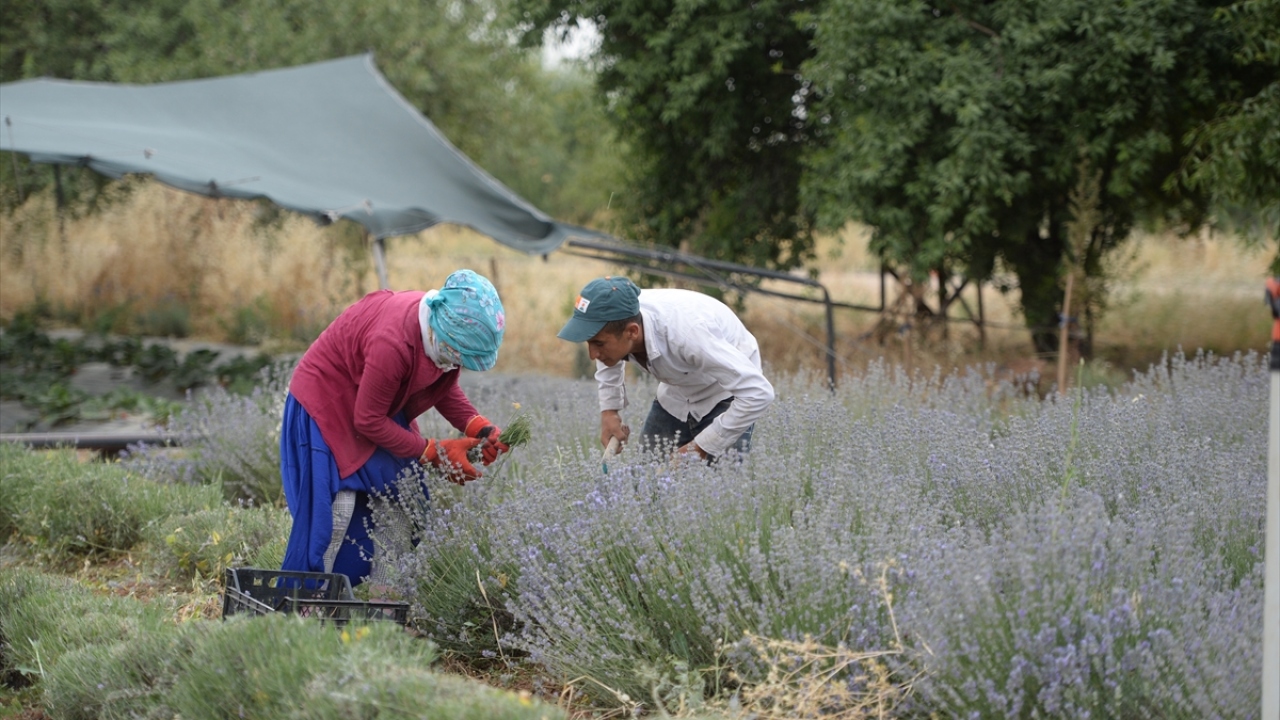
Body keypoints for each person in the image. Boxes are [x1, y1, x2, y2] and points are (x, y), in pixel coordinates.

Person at [280, 269, 509, 587]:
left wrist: (478, 426)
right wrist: (433, 452)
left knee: (403, 506)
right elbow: (369, 420)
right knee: (337, 511)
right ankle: (309, 606)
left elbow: (440, 381)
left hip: (372, 404)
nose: (457, 364)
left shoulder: (438, 340)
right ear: (442, 331)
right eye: (458, 355)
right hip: (329, 401)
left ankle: (383, 610)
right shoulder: (394, 342)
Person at [557, 276, 774, 461]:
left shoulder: (688, 334)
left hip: (725, 392)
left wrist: (700, 448)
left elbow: (758, 393)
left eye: (598, 344)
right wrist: (609, 411)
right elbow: (607, 354)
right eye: (590, 343)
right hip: (677, 392)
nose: (593, 354)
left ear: (632, 332)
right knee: (644, 483)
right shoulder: (618, 315)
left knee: (720, 492)